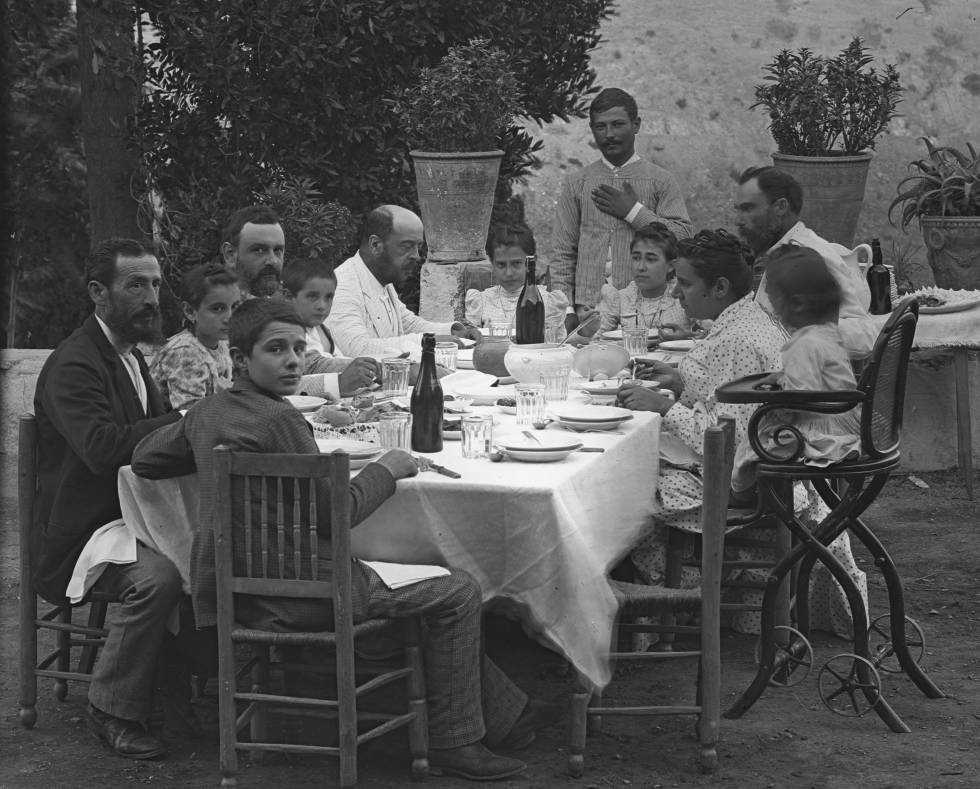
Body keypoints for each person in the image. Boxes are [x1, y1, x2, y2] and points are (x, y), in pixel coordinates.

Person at [131, 299, 561, 780]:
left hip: (237, 591)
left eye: (298, 347)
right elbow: (334, 515)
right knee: (458, 589)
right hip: (309, 593)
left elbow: (145, 459)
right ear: (239, 360)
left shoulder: (206, 413)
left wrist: (213, 455)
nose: (293, 360)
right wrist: (388, 468)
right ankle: (455, 741)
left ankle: (505, 715)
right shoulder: (282, 421)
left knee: (421, 582)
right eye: (277, 349)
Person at [616, 229, 865, 638]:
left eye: (686, 282)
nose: (677, 292)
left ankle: (665, 612)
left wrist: (665, 407)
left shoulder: (738, 338)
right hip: (763, 463)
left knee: (624, 482)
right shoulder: (747, 318)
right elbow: (729, 400)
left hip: (743, 484)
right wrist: (681, 382)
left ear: (719, 287)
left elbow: (727, 440)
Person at [33, 238, 187, 759]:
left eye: (156, 284)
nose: (151, 297)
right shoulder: (75, 364)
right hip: (84, 531)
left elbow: (150, 440)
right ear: (98, 292)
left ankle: (177, 689)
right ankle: (112, 708)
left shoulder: (130, 357)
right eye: (136, 285)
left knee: (212, 547)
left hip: (129, 516)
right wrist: (186, 422)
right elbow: (101, 450)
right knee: (158, 578)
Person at [551, 87, 693, 330]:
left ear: (636, 124)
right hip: (589, 312)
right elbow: (563, 252)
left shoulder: (661, 181)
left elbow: (684, 238)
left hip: (645, 312)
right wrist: (566, 310)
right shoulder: (578, 183)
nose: (609, 134)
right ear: (592, 129)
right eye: (600, 127)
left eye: (618, 124)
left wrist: (633, 212)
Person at [730, 245, 862, 502]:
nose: (771, 308)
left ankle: (744, 495)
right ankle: (760, 496)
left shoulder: (804, 344)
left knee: (758, 436)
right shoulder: (824, 334)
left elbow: (801, 398)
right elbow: (818, 381)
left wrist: (777, 397)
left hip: (825, 432)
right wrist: (781, 377)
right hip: (845, 423)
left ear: (797, 304)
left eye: (773, 299)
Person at [733, 165, 879, 358]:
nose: (739, 220)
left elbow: (865, 336)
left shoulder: (811, 256)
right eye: (738, 210)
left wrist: (797, 324)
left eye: (749, 209)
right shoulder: (779, 252)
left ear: (781, 207)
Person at [327, 205, 483, 359]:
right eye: (407, 246)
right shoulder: (341, 287)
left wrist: (454, 332)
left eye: (418, 247)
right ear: (375, 245)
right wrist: (427, 341)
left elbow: (408, 324)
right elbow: (358, 350)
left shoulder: (380, 279)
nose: (416, 256)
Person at [281, 256, 381, 398]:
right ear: (288, 296)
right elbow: (315, 365)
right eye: (312, 296)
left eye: (328, 297)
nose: (322, 306)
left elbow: (339, 360)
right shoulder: (283, 330)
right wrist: (374, 368)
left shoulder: (322, 330)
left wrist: (369, 372)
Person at [150, 262, 241, 410]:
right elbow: (190, 417)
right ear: (190, 311)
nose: (229, 317)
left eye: (235, 307)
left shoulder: (221, 344)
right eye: (217, 308)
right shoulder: (185, 352)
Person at [464, 222, 569, 336]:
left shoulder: (546, 303)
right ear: (492, 264)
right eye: (501, 265)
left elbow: (555, 345)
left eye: (516, 263)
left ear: (530, 262)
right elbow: (471, 342)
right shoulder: (481, 301)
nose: (509, 273)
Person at [596, 222, 690, 337]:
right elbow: (597, 342)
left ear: (670, 266)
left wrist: (689, 336)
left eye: (650, 259)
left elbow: (709, 337)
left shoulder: (683, 299)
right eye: (636, 258)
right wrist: (588, 331)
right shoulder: (621, 298)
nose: (640, 267)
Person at [220, 205, 285, 299]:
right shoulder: (208, 310)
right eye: (259, 250)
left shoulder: (287, 310)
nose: (273, 260)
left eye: (277, 250)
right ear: (230, 254)